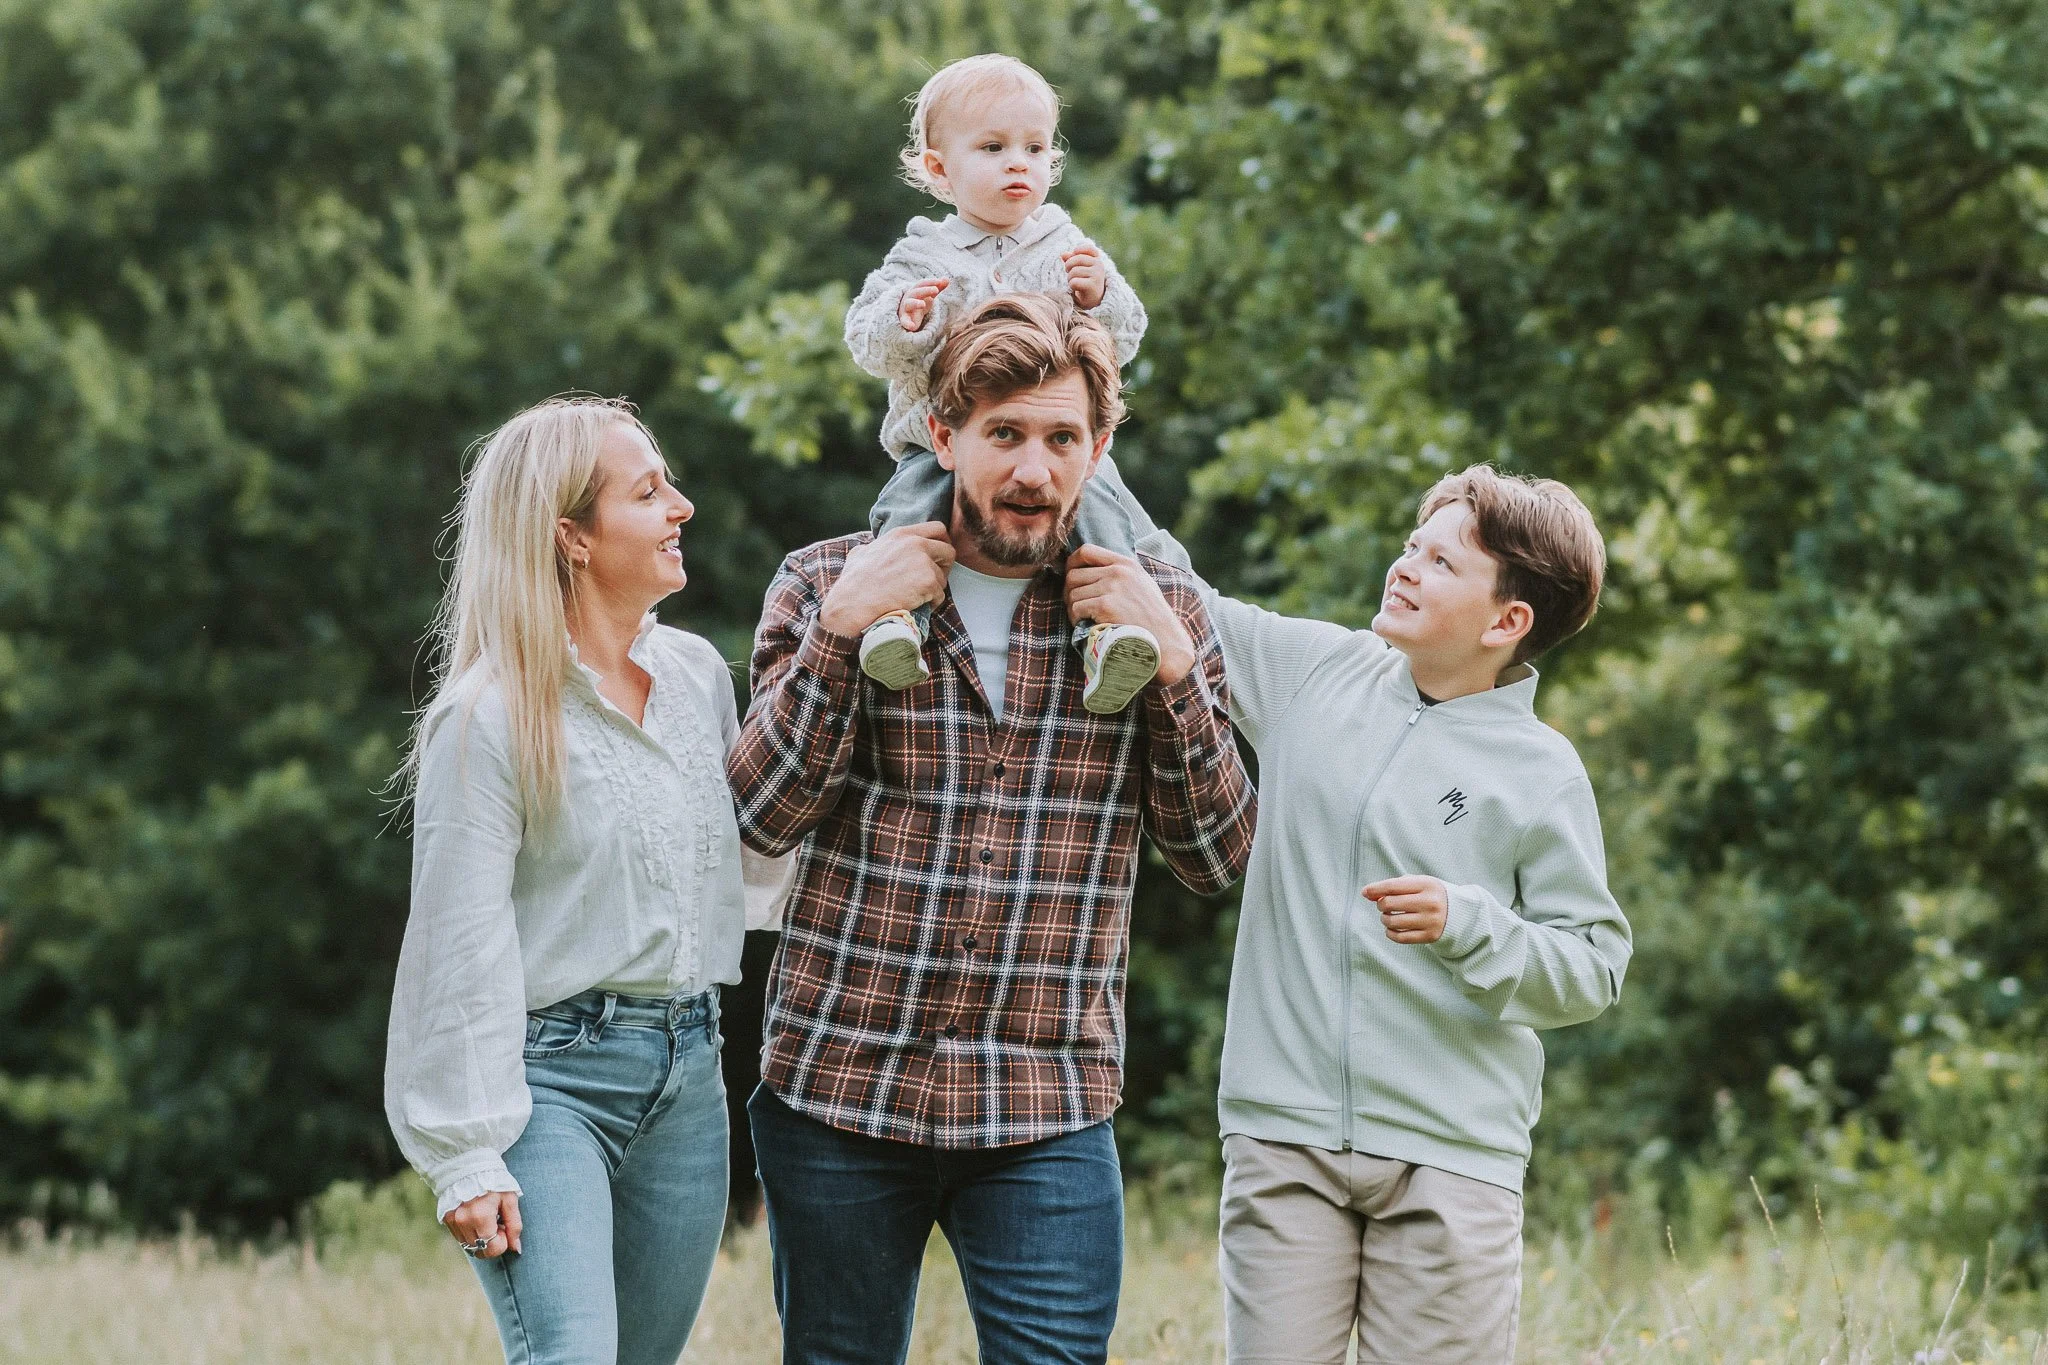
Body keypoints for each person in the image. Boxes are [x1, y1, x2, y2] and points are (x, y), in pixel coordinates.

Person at [728, 293, 1257, 1365]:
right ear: (941, 435)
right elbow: (760, 813)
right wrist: (837, 639)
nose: (1033, 472)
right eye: (1003, 436)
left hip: (1046, 1101)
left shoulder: (1154, 606)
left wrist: (1171, 670)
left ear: (1097, 449)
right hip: (840, 1087)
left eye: (1062, 440)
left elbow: (1215, 856)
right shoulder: (826, 583)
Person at [1138, 466, 1632, 1364]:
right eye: (1412, 545)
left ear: (1504, 621)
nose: (1405, 567)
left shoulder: (1544, 770)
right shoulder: (1317, 675)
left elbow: (1593, 968)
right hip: (1283, 1140)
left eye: (1440, 561)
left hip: (1453, 1164)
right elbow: (1171, 585)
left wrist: (1469, 921)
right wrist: (1077, 440)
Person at [384, 396, 787, 1364]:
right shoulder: (487, 717)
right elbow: (457, 943)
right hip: (552, 1084)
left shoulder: (695, 676)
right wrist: (466, 1154)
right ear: (570, 535)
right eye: (648, 493)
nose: (681, 507)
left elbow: (752, 868)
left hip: (690, 1074)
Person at [844, 53, 1161, 714]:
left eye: (1034, 147)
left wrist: (1099, 297)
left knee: (1109, 523)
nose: (1019, 162)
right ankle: (895, 622)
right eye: (992, 147)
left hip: (1057, 448)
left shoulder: (1066, 246)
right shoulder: (921, 255)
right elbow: (866, 341)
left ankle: (1110, 634)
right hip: (938, 443)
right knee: (906, 518)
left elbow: (1125, 335)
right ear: (938, 168)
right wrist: (907, 320)